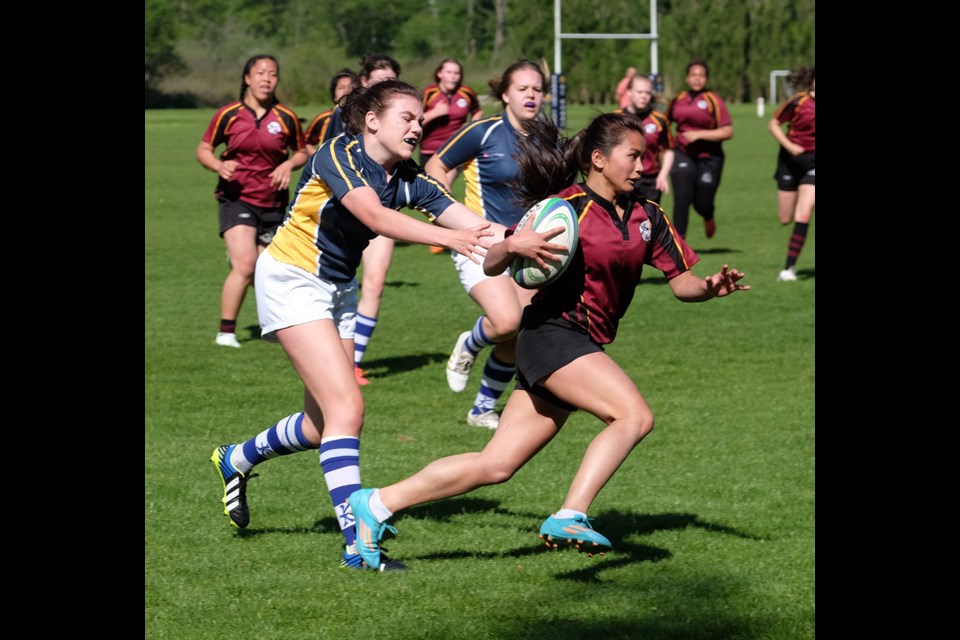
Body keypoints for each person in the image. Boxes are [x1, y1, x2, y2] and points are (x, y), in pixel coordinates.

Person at [346, 111, 751, 571]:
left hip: (580, 342)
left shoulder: (647, 214)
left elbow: (682, 283)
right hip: (552, 335)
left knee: (495, 466)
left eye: (645, 157)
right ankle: (570, 514)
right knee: (633, 416)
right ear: (598, 159)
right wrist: (511, 246)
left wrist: (711, 286)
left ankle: (376, 504)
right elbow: (497, 263)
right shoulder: (565, 207)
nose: (643, 166)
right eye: (633, 156)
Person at [210, 79, 504, 571]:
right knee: (348, 408)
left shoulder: (408, 177)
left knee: (321, 423)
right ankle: (358, 542)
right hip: (291, 278)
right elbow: (374, 215)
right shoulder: (338, 152)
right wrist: (451, 240)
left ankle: (236, 458)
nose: (418, 125)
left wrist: (525, 237)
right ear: (372, 121)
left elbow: (469, 220)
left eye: (420, 118)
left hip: (338, 289)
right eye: (407, 117)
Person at [425, 59, 546, 429]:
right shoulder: (483, 132)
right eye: (523, 89)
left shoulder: (546, 139)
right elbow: (435, 166)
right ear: (506, 94)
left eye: (537, 89)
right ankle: (470, 343)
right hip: (480, 244)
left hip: (525, 247)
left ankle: (481, 409)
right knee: (506, 320)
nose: (531, 95)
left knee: (521, 327)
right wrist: (450, 215)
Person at [196, 54, 309, 348]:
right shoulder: (229, 114)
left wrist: (287, 166)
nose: (266, 78)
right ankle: (226, 332)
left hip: (272, 202)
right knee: (246, 264)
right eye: (260, 72)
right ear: (247, 78)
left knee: (267, 269)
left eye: (272, 74)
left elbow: (301, 151)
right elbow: (204, 148)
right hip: (237, 198)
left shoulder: (286, 117)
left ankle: (271, 325)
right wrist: (218, 166)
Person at [335, 55, 403, 385]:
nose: (383, 87)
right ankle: (333, 356)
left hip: (382, 210)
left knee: (374, 281)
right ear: (363, 83)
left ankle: (354, 363)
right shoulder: (339, 119)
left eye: (390, 81)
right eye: (377, 81)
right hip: (341, 212)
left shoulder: (401, 124)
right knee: (341, 284)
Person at [420, 57, 484, 254]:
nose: (453, 76)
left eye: (456, 73)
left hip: (455, 151)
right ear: (440, 73)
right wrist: (435, 113)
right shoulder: (428, 94)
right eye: (449, 72)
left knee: (443, 189)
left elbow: (478, 110)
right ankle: (443, 234)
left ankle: (446, 237)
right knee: (435, 193)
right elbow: (415, 119)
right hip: (429, 151)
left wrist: (471, 125)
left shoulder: (466, 93)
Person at [665, 59, 733, 239]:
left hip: (709, 157)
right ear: (687, 78)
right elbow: (664, 123)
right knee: (682, 198)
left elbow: (728, 131)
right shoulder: (678, 99)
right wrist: (667, 144)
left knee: (702, 204)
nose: (697, 79)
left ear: (706, 79)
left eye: (701, 75)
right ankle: (680, 246)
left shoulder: (713, 99)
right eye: (694, 75)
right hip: (683, 154)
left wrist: (699, 134)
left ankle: (708, 215)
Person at [768, 66, 815, 282]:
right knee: (785, 218)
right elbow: (774, 124)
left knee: (803, 213)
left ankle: (789, 269)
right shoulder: (799, 102)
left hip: (812, 164)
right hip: (788, 162)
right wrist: (790, 146)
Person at [615, 73, 674, 204]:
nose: (644, 96)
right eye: (639, 92)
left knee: (648, 222)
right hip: (622, 178)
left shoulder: (659, 119)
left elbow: (668, 150)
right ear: (629, 92)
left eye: (647, 93)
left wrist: (663, 175)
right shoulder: (616, 119)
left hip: (650, 181)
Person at [304, 68, 358, 155]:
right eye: (341, 87)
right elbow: (305, 142)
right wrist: (317, 156)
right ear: (334, 95)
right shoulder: (324, 118)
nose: (347, 91)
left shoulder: (362, 118)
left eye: (351, 87)